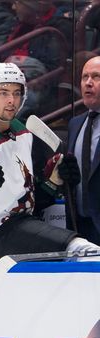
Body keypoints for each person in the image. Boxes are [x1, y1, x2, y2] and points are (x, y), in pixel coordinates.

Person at [0, 62, 100, 267]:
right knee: (79, 249)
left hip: (17, 228)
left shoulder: (21, 132)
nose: (11, 100)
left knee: (80, 248)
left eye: (16, 93)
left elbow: (25, 199)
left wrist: (51, 181)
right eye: (3, 93)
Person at [66, 55, 100, 243]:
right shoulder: (75, 124)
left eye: (96, 77)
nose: (88, 83)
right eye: (84, 77)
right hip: (78, 228)